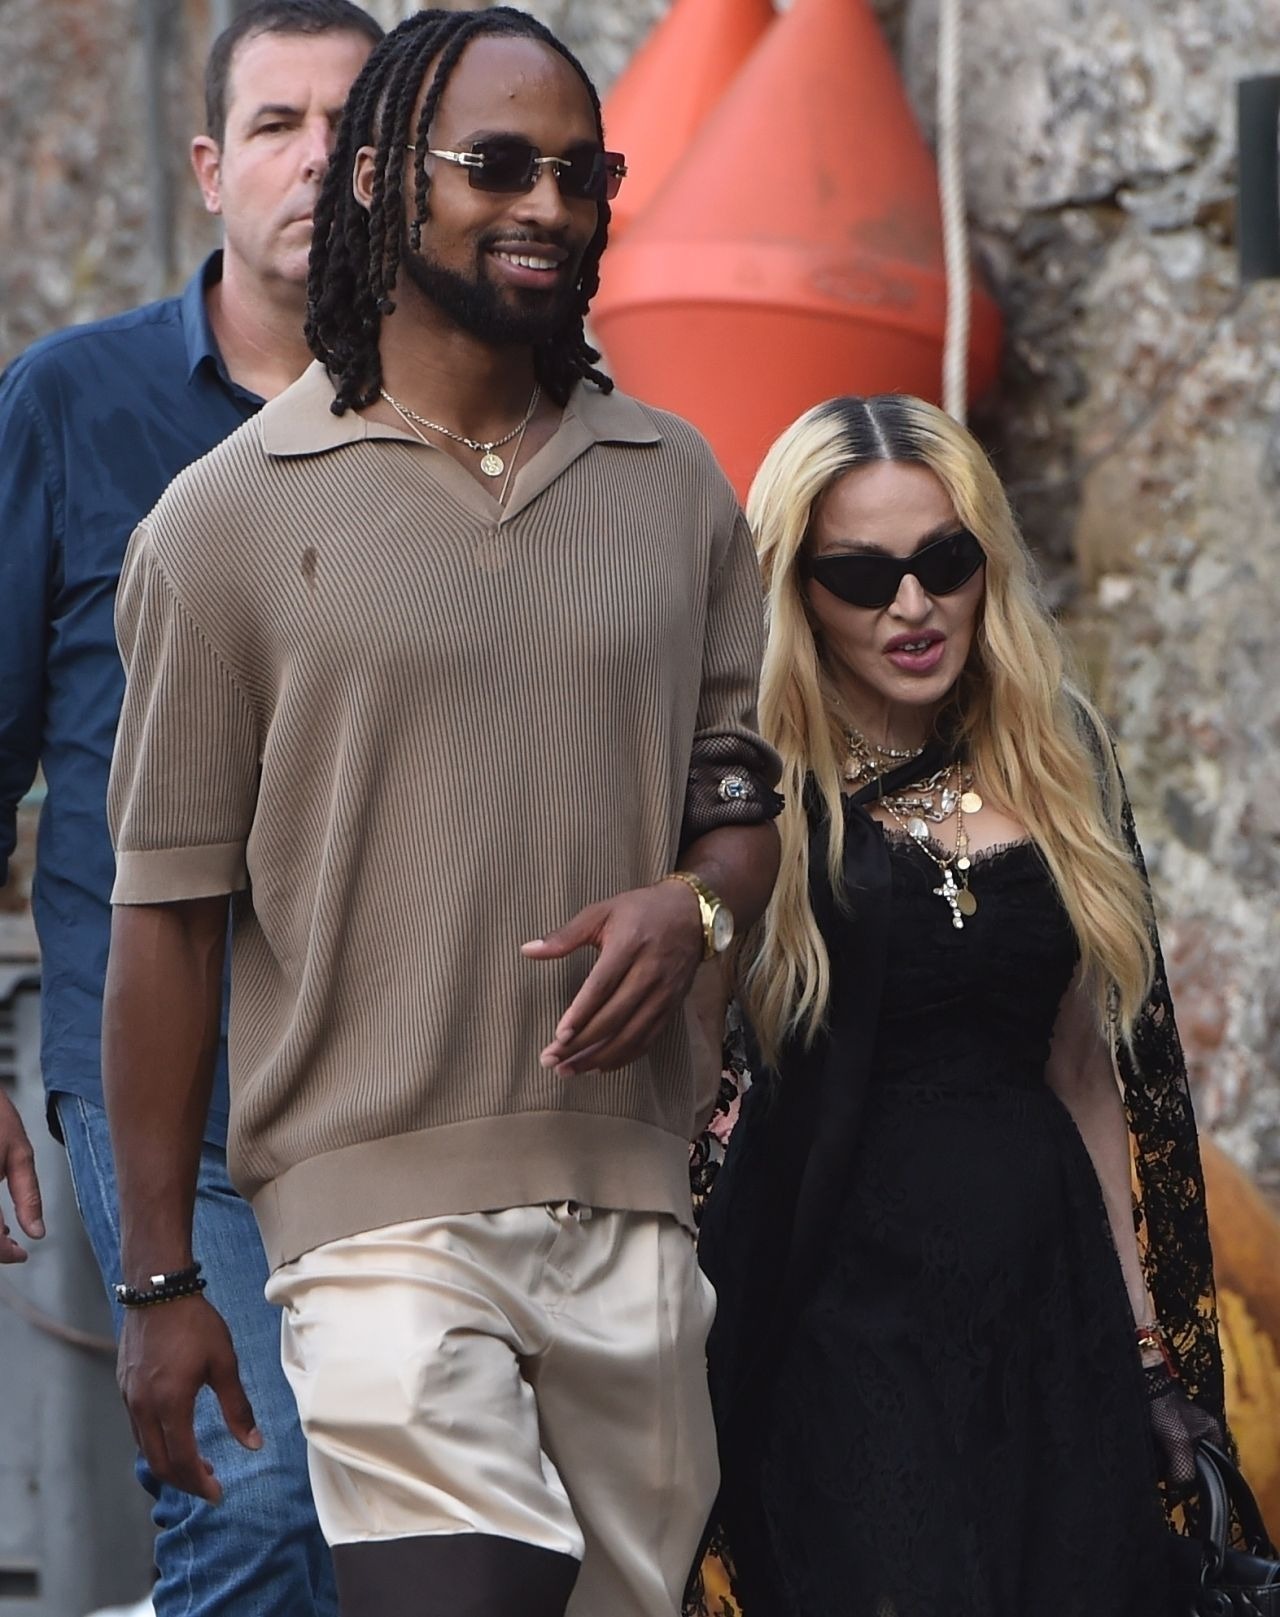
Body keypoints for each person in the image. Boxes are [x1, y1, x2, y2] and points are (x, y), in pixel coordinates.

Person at [100, 9, 782, 1617]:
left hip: (634, 1215)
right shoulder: (222, 522)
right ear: (381, 180)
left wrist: (697, 903)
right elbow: (164, 923)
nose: (546, 203)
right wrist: (159, 1279)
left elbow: (743, 806)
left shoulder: (676, 484)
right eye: (497, 166)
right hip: (374, 1230)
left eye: (581, 173)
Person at [690, 394, 1227, 1617]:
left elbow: (1083, 1076)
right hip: (836, 1302)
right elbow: (693, 1070)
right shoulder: (750, 790)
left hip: (1044, 1296)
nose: (911, 605)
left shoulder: (1055, 760)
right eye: (860, 576)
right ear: (793, 590)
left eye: (943, 561)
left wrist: (1145, 1351)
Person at [0, 3, 381, 1611]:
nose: (319, 164)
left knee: (420, 1516)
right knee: (255, 1499)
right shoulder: (70, 402)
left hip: (396, 1073)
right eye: (280, 127)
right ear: (214, 169)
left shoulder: (465, 426)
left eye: (353, 130)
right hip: (166, 1070)